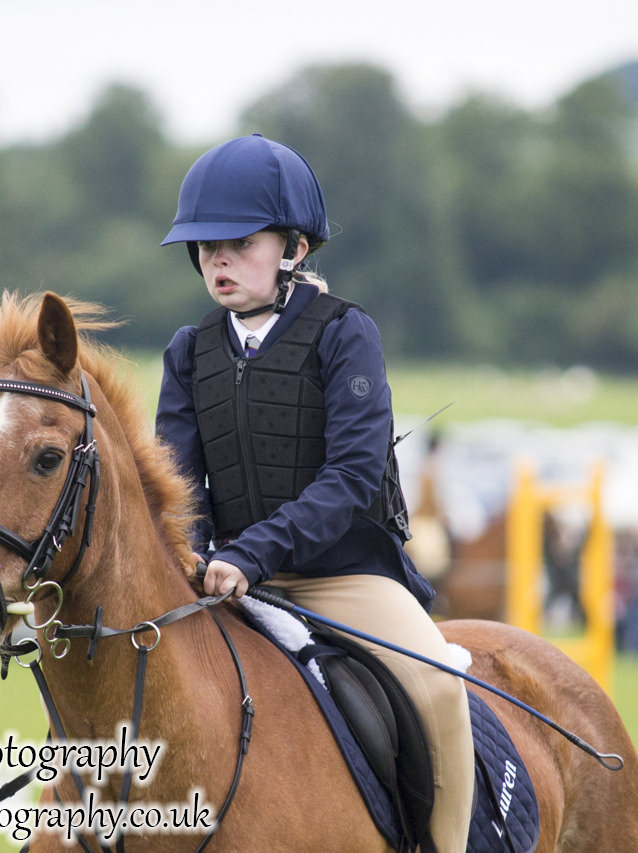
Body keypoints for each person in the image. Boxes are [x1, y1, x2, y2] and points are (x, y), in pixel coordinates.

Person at [155, 134, 474, 852]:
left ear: (294, 247)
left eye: (238, 241)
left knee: (437, 689)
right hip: (226, 579)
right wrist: (194, 552)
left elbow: (351, 476)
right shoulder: (188, 351)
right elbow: (177, 482)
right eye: (205, 247)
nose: (218, 260)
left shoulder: (344, 334)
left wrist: (251, 552)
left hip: (341, 574)